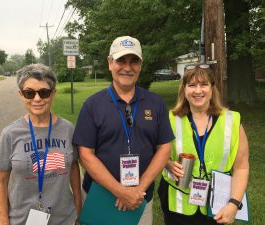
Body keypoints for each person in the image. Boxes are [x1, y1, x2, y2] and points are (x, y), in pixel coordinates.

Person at [72, 36, 175, 225]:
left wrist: (137, 191)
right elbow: (85, 155)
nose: (127, 68)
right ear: (110, 63)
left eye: (134, 61)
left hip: (140, 200)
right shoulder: (92, 105)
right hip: (99, 198)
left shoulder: (156, 103)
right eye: (121, 60)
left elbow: (164, 149)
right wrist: (120, 191)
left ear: (141, 65)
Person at [158, 64, 249, 225]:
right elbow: (154, 152)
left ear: (212, 88)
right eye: (192, 85)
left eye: (204, 84)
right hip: (178, 203)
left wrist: (234, 204)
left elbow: (241, 167)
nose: (198, 91)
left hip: (218, 205)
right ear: (184, 89)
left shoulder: (232, 121)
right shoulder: (169, 119)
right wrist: (167, 163)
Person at [0, 64, 82, 225]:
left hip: (64, 219)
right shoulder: (10, 134)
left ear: (53, 94)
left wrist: (78, 210)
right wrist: (2, 220)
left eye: (44, 92)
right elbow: (0, 181)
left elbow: (74, 169)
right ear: (21, 95)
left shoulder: (68, 129)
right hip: (22, 220)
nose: (37, 99)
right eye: (29, 93)